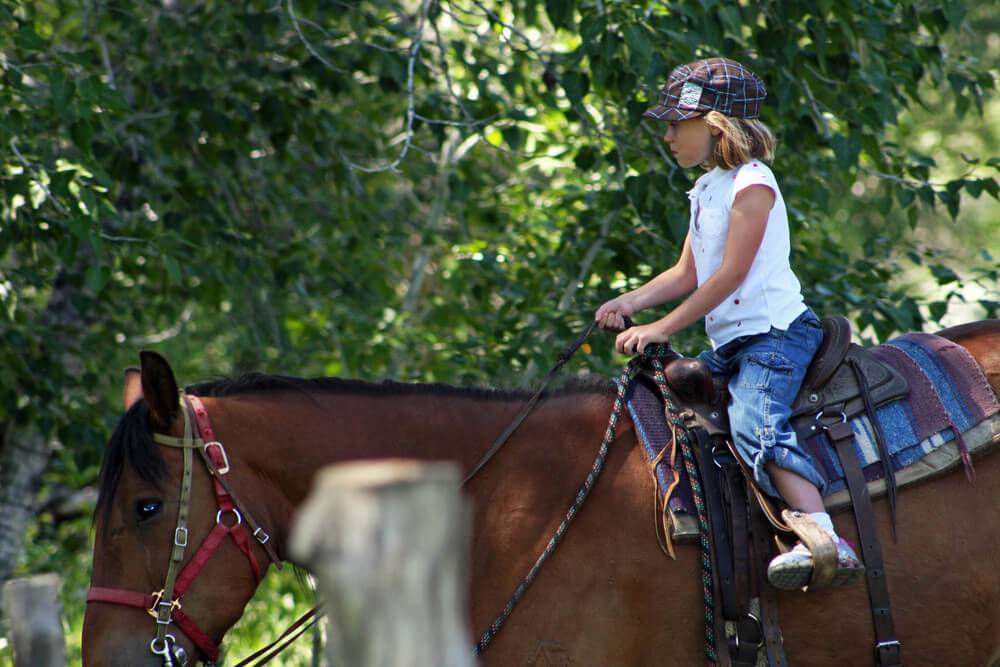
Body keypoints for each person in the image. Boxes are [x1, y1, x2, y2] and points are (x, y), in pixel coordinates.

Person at [594, 57, 863, 590]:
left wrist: (662, 328)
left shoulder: (753, 183)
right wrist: (629, 300)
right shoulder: (707, 190)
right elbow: (685, 273)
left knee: (754, 423)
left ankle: (827, 537)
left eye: (677, 124)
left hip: (775, 335)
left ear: (715, 125)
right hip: (735, 340)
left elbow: (732, 274)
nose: (668, 135)